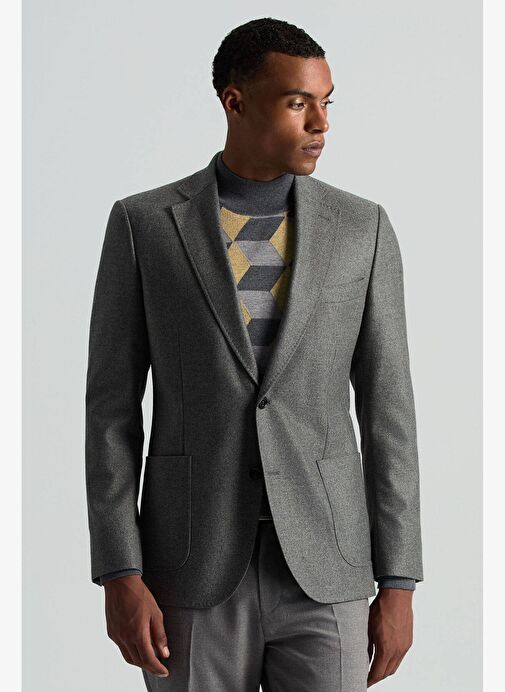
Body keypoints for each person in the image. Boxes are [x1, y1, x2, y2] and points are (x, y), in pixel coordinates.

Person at [85, 17, 424, 691]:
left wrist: (399, 580)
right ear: (234, 102)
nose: (321, 123)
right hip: (189, 569)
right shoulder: (145, 226)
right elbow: (110, 413)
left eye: (326, 102)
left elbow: (389, 411)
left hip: (328, 566)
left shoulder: (362, 228)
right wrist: (119, 571)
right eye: (299, 103)